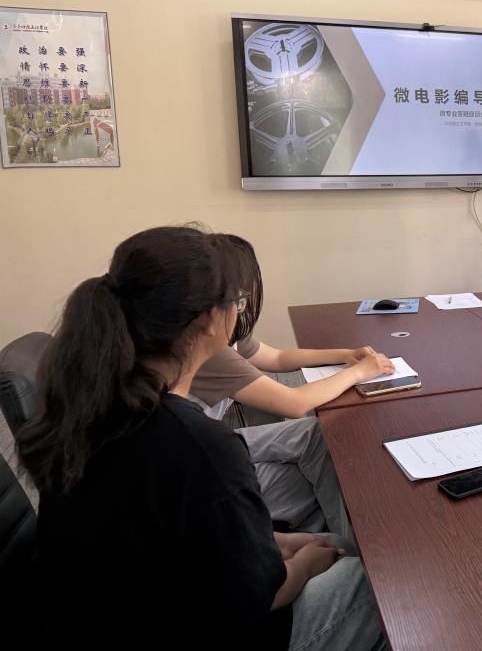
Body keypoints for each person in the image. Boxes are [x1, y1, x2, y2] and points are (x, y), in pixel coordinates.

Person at [17, 226, 387, 651]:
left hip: (101, 612)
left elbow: (170, 531)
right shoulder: (198, 447)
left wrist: (277, 542)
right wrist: (302, 565)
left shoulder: (91, 406)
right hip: (191, 627)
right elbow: (258, 596)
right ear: (211, 318)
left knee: (333, 544)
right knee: (376, 580)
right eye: (237, 302)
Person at [191, 232, 394, 540]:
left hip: (212, 443)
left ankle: (337, 536)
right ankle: (349, 545)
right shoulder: (211, 351)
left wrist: (344, 355)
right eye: (241, 299)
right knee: (311, 469)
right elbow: (294, 403)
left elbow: (277, 357)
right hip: (201, 461)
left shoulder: (223, 334)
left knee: (316, 435)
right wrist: (358, 373)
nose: (244, 304)